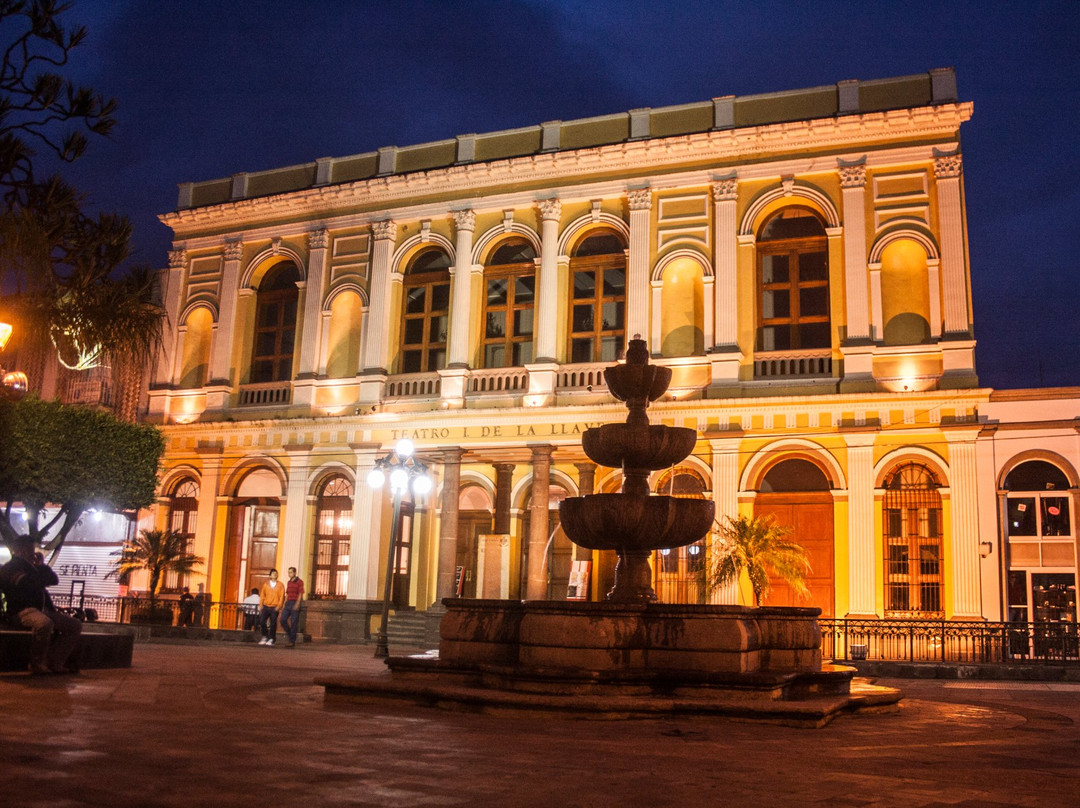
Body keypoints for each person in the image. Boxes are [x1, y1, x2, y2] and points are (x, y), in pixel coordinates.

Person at [0, 536, 82, 674]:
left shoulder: (33, 568)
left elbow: (53, 579)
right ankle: (36, 663)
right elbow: (28, 583)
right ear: (18, 550)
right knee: (44, 624)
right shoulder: (10, 568)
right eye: (28, 549)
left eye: (32, 549)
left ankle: (55, 662)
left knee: (74, 625)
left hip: (43, 610)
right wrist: (39, 574)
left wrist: (42, 566)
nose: (32, 553)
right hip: (22, 611)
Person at [258, 568, 285, 646]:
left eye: (276, 573)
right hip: (266, 606)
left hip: (274, 607)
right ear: (270, 576)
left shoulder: (280, 585)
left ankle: (272, 638)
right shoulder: (266, 584)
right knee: (262, 622)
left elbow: (282, 596)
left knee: (273, 623)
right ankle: (265, 636)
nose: (275, 574)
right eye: (273, 573)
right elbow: (262, 595)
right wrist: (261, 605)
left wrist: (279, 606)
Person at [279, 567, 305, 647]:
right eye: (288, 572)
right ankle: (291, 634)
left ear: (294, 573)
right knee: (282, 619)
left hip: (294, 602)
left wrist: (297, 604)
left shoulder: (300, 582)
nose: (289, 574)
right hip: (288, 603)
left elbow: (300, 593)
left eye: (290, 572)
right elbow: (287, 593)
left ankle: (292, 641)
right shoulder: (289, 582)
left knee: (294, 622)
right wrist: (284, 603)